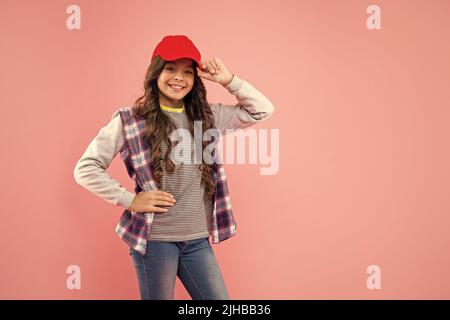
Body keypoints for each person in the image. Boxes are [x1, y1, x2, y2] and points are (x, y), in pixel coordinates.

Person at [73, 35, 275, 300]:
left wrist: (228, 80)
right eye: (170, 69)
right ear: (156, 72)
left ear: (195, 79)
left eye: (187, 72)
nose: (178, 78)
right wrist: (130, 199)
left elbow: (262, 110)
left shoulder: (207, 116)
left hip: (197, 239)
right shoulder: (130, 119)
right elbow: (85, 167)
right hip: (155, 241)